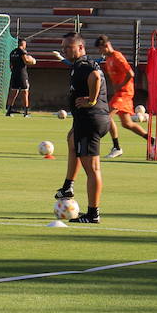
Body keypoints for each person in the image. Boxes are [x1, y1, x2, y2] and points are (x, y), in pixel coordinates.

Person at [53, 33, 109, 224]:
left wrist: (91, 100)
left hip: (90, 120)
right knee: (71, 139)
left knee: (92, 169)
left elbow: (95, 77)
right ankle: (68, 185)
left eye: (69, 47)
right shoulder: (80, 65)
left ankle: (93, 213)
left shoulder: (84, 66)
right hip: (88, 121)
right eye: (64, 47)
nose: (65, 50)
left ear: (81, 48)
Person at [93, 35, 154, 158]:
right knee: (127, 124)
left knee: (106, 116)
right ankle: (152, 140)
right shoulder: (109, 59)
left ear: (105, 46)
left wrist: (120, 85)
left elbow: (130, 73)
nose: (100, 52)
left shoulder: (117, 57)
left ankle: (117, 147)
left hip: (125, 93)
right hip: (120, 93)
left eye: (100, 49)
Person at [5, 39, 36, 116]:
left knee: (13, 93)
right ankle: (25, 112)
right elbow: (26, 61)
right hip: (22, 74)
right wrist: (33, 61)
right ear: (23, 44)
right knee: (25, 92)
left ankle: (8, 111)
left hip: (14, 74)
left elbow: (10, 66)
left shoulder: (12, 52)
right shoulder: (22, 51)